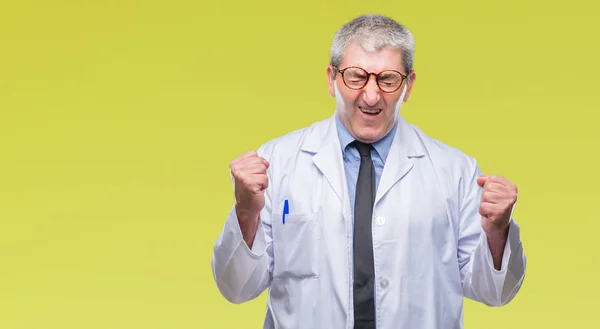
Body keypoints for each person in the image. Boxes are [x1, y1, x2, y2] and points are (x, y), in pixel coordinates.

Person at [211, 14, 526, 329]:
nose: (372, 96)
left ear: (408, 85)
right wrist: (245, 213)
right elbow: (236, 288)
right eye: (356, 77)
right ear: (332, 79)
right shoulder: (278, 162)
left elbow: (494, 292)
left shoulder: (454, 171)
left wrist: (499, 231)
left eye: (387, 79)